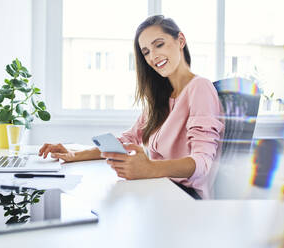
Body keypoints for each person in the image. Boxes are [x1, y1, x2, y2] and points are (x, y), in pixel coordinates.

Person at [39, 15, 224, 199]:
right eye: (146, 52)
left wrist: (149, 168)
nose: (153, 57)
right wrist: (74, 154)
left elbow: (202, 163)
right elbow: (129, 139)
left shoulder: (200, 87)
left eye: (158, 45)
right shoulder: (161, 98)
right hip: (158, 188)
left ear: (180, 40)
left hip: (184, 198)